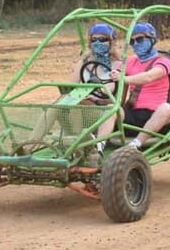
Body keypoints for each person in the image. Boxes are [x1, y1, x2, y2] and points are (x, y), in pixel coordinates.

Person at [28, 23, 123, 155]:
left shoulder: (118, 64)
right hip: (83, 107)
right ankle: (29, 146)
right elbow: (72, 85)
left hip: (106, 108)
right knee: (59, 103)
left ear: (111, 42)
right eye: (94, 40)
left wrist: (94, 93)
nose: (98, 43)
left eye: (102, 40)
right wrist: (72, 93)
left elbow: (109, 88)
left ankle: (83, 146)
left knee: (81, 103)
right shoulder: (84, 61)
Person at [108, 21, 170, 149]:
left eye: (140, 39)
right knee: (111, 108)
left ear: (152, 39)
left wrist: (124, 78)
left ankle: (136, 144)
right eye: (132, 41)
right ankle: (98, 145)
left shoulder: (163, 61)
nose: (136, 44)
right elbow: (113, 77)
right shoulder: (131, 61)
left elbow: (149, 77)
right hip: (133, 115)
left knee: (166, 108)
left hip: (156, 118)